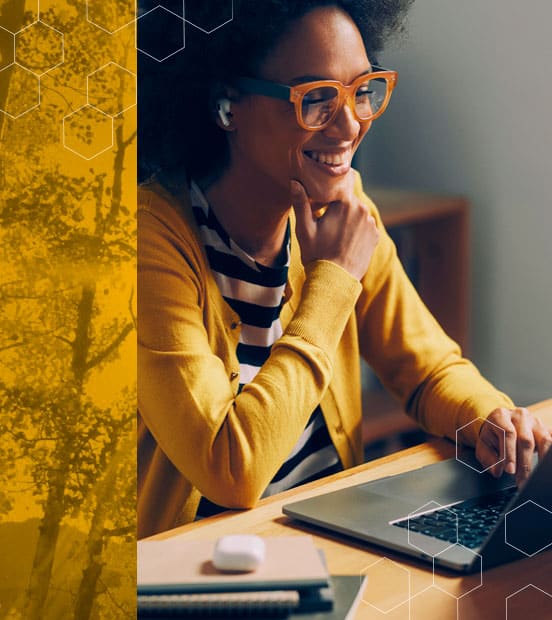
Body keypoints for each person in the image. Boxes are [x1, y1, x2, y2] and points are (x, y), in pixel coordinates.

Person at [137, 0, 551, 539]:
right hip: (193, 573)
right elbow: (231, 469)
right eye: (316, 99)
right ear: (226, 104)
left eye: (362, 91)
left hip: (327, 542)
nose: (351, 123)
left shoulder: (348, 217)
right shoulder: (148, 244)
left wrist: (489, 417)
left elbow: (427, 369)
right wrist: (332, 279)